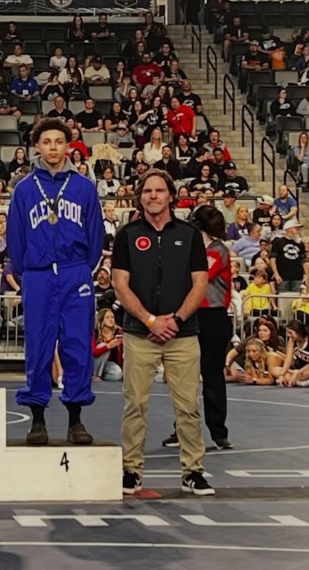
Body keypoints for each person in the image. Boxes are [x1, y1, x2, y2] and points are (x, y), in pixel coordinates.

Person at [112, 169, 214, 497]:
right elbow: (120, 284)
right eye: (147, 191)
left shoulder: (190, 234)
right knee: (135, 405)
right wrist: (150, 320)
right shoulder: (127, 235)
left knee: (187, 406)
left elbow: (200, 283)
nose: (153, 196)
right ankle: (131, 471)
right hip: (139, 333)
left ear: (171, 195)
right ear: (139, 197)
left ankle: (193, 471)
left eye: (159, 191)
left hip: (183, 335)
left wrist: (176, 319)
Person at [7, 118, 104, 445]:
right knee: (39, 346)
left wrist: (79, 269)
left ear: (68, 146)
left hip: (75, 271)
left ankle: (76, 419)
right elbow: (15, 239)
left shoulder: (84, 187)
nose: (52, 147)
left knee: (78, 345)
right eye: (46, 141)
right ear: (37, 146)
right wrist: (30, 272)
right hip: (37, 275)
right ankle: (38, 419)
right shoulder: (23, 189)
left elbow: (95, 238)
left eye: (58, 142)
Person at [162, 205, 234, 451]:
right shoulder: (193, 250)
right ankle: (181, 428)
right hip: (191, 315)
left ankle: (218, 431)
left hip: (212, 315)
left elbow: (200, 275)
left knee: (212, 374)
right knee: (185, 376)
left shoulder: (217, 251)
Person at [270, 218, 307, 293]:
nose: (298, 231)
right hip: (283, 277)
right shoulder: (278, 242)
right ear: (289, 229)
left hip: (297, 278)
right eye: (296, 228)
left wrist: (306, 274)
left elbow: (304, 260)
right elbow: (273, 259)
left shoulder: (300, 244)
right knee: (283, 301)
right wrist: (276, 274)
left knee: (296, 302)